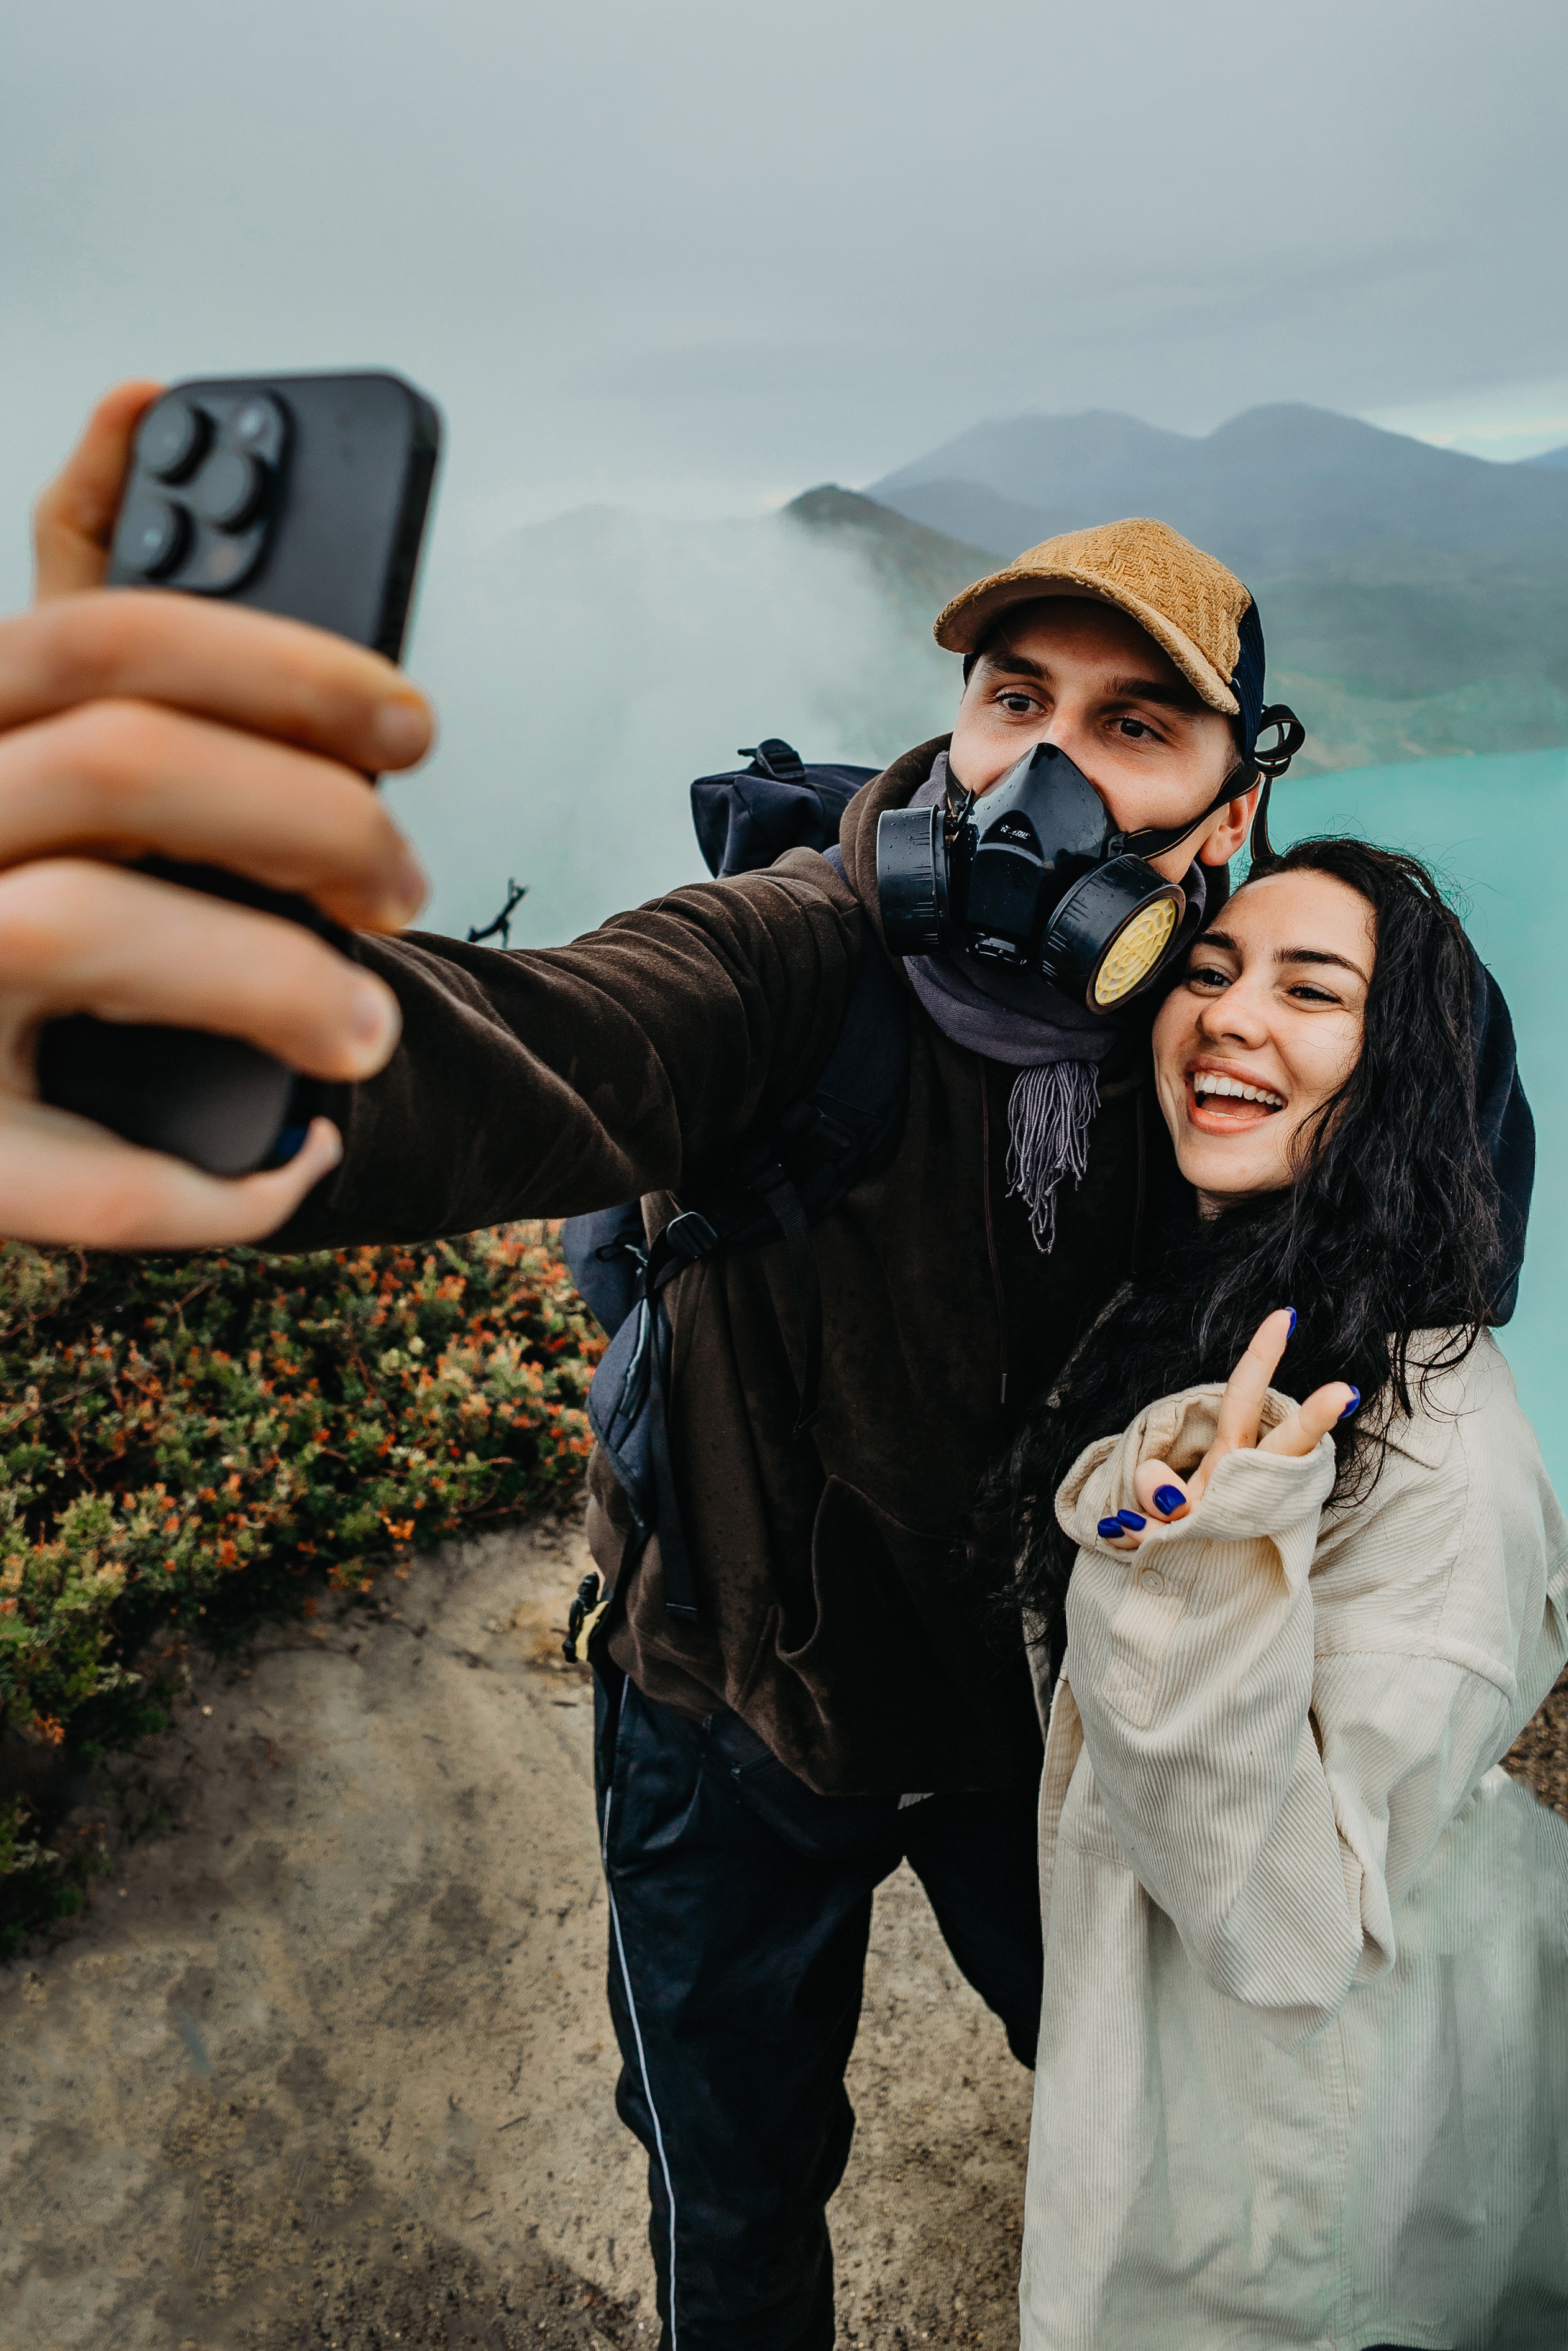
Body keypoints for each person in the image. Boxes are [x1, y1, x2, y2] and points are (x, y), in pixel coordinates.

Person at [0, 385, 1488, 2347]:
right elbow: (548, 1038)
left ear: (1229, 809)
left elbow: (1438, 1172)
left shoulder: (1212, 1024)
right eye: (1010, 698)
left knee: (1157, 2117)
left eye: (1132, 724)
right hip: (726, 1703)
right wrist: (208, 1031)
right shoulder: (795, 958)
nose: (1039, 767)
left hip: (1018, 1718)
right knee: (735, 2189)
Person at [973, 837, 1567, 2350]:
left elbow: (1286, 1930)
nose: (1229, 1016)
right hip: (1209, 2072)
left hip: (1284, 2142)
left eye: (1312, 991)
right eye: (1209, 971)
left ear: (1404, 1082)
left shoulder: (1433, 1448)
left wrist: (1191, 1550)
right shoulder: (1236, 1300)